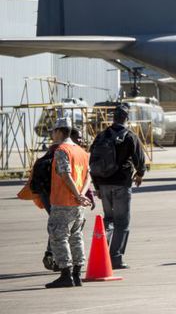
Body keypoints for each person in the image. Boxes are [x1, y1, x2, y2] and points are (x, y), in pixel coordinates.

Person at [89, 104, 146, 269]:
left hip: (103, 184)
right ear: (126, 118)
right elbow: (139, 158)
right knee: (122, 222)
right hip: (121, 183)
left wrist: (97, 185)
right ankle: (115, 258)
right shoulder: (129, 136)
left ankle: (101, 252)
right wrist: (140, 174)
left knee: (108, 220)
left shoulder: (101, 136)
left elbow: (93, 161)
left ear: (113, 118)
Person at [45, 118, 92, 288]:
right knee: (76, 236)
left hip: (63, 201)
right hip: (77, 204)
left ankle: (66, 274)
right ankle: (77, 274)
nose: (52, 135)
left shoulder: (61, 150)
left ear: (59, 131)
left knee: (59, 236)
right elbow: (88, 176)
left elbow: (66, 175)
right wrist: (81, 194)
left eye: (53, 131)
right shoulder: (81, 151)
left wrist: (78, 194)